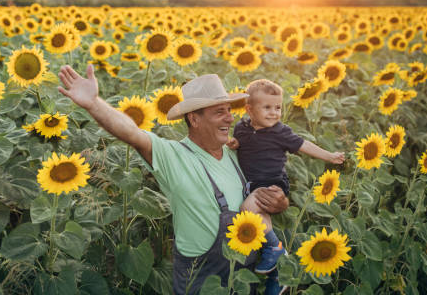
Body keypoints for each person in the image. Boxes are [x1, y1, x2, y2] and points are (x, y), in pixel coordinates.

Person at [58, 66, 289, 295]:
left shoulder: (238, 152)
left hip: (243, 276)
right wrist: (93, 103)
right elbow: (131, 133)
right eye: (219, 112)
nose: (230, 117)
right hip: (200, 278)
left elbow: (271, 180)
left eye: (229, 110)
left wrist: (280, 202)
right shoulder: (173, 156)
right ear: (194, 119)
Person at [227, 79, 345, 275]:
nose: (274, 112)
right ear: (249, 109)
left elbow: (303, 145)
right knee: (261, 216)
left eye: (278, 107)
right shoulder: (242, 127)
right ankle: (278, 268)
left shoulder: (280, 132)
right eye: (267, 107)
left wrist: (329, 156)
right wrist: (235, 144)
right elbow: (244, 143)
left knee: (247, 209)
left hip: (272, 182)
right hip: (252, 183)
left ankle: (274, 248)